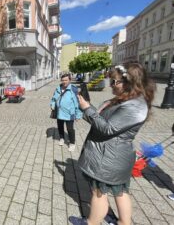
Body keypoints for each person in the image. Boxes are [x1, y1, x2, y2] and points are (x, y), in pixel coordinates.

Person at [69, 63, 156, 225]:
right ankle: (124, 222)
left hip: (108, 158)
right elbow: (101, 121)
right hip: (115, 156)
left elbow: (107, 129)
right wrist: (86, 107)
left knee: (99, 193)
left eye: (115, 81)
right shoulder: (128, 100)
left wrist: (87, 109)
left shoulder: (134, 106)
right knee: (120, 191)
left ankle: (91, 222)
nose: (111, 85)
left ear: (129, 83)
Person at [50, 73, 82, 151]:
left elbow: (77, 103)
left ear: (70, 80)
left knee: (70, 129)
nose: (64, 82)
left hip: (69, 114)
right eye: (63, 80)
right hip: (59, 112)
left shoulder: (74, 89)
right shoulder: (58, 88)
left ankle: (72, 143)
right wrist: (52, 105)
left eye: (66, 80)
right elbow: (54, 98)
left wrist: (78, 115)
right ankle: (61, 138)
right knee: (60, 126)